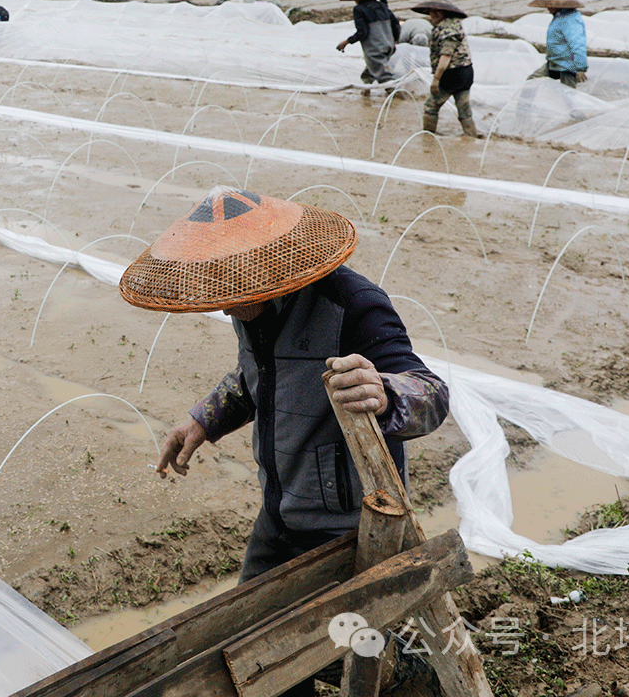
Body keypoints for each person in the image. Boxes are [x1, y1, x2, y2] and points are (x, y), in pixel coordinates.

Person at [122, 188, 449, 694]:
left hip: (348, 529)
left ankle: (414, 674)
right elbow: (255, 377)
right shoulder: (249, 308)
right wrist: (203, 421)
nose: (226, 301)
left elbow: (432, 393)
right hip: (280, 515)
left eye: (234, 280)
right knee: (250, 652)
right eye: (218, 282)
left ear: (268, 260)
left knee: (342, 652)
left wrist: (384, 393)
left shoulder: (352, 305)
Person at [411, 0, 481, 138]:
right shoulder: (454, 25)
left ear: (443, 13)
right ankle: (472, 136)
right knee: (463, 108)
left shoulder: (448, 29)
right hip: (465, 72)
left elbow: (446, 56)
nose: (432, 16)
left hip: (451, 74)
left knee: (431, 106)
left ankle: (428, 137)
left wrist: (436, 79)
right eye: (431, 12)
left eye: (436, 13)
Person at [335, 0, 401, 89]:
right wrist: (395, 41)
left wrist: (347, 42)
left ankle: (396, 93)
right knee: (370, 71)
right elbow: (396, 24)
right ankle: (366, 90)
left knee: (385, 77)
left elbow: (362, 33)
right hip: (388, 45)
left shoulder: (359, 9)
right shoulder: (382, 6)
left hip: (375, 47)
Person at [526, 0, 588, 87]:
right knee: (531, 82)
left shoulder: (570, 20)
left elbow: (578, 43)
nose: (549, 9)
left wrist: (580, 68)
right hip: (555, 62)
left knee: (568, 91)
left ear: (560, 6)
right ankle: (526, 98)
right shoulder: (559, 17)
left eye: (551, 6)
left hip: (567, 65)